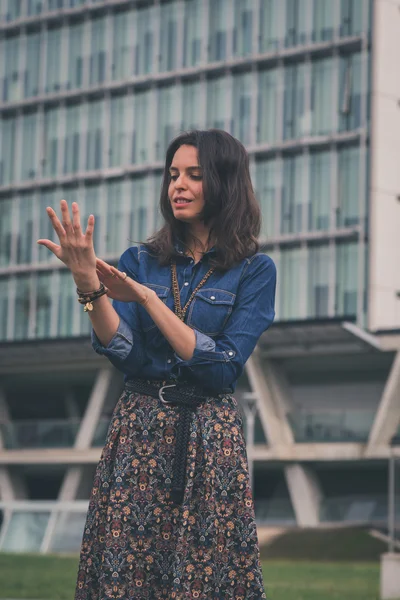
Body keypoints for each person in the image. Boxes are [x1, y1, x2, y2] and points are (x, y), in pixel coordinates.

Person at [38, 129, 276, 599]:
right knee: (127, 575)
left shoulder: (254, 270)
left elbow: (221, 367)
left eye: (193, 175)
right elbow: (124, 352)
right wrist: (89, 286)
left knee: (206, 577)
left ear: (226, 183)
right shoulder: (140, 259)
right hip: (140, 432)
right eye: (172, 175)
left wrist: (147, 299)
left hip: (210, 439)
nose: (178, 186)